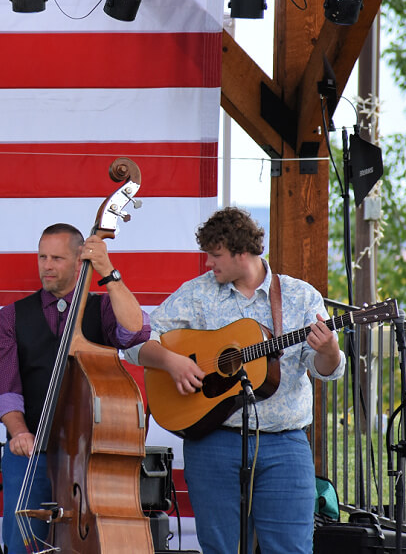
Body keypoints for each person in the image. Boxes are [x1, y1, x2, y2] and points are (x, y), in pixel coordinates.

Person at [123, 206, 344, 554]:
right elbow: (137, 341)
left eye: (216, 255)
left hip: (284, 444)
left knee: (291, 548)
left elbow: (324, 369)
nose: (209, 264)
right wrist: (172, 362)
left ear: (242, 252)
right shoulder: (197, 294)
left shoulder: (300, 296)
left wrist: (329, 349)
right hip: (213, 440)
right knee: (219, 548)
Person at [0, 222, 151, 553]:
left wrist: (109, 273)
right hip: (30, 450)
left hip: (90, 456)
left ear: (80, 261)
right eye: (42, 257)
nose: (46, 266)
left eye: (57, 259)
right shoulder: (11, 317)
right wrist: (19, 433)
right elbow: (6, 390)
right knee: (23, 544)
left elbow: (137, 332)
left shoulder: (103, 308)